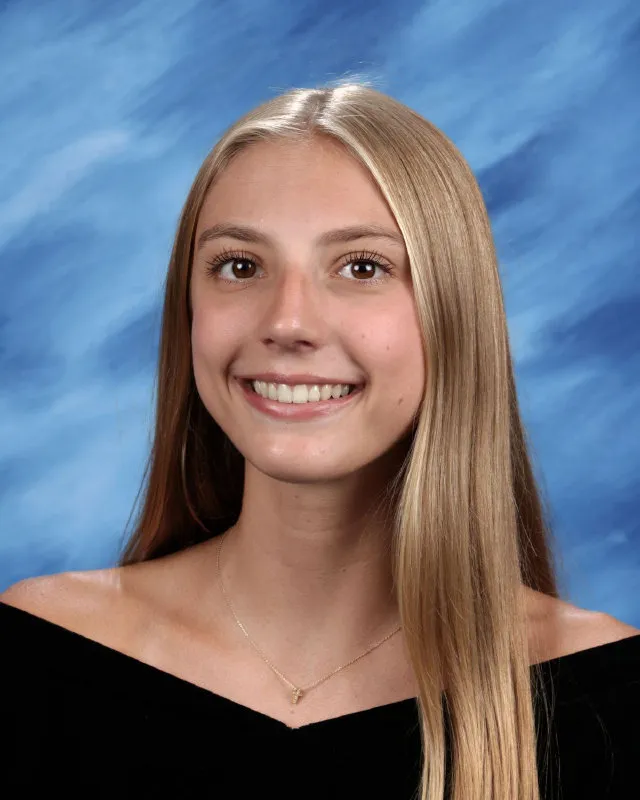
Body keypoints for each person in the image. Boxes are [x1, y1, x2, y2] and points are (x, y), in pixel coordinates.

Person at [1, 82, 638, 800]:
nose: (288, 322)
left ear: (454, 312)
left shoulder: (610, 698)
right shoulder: (39, 655)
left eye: (362, 267)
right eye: (240, 266)